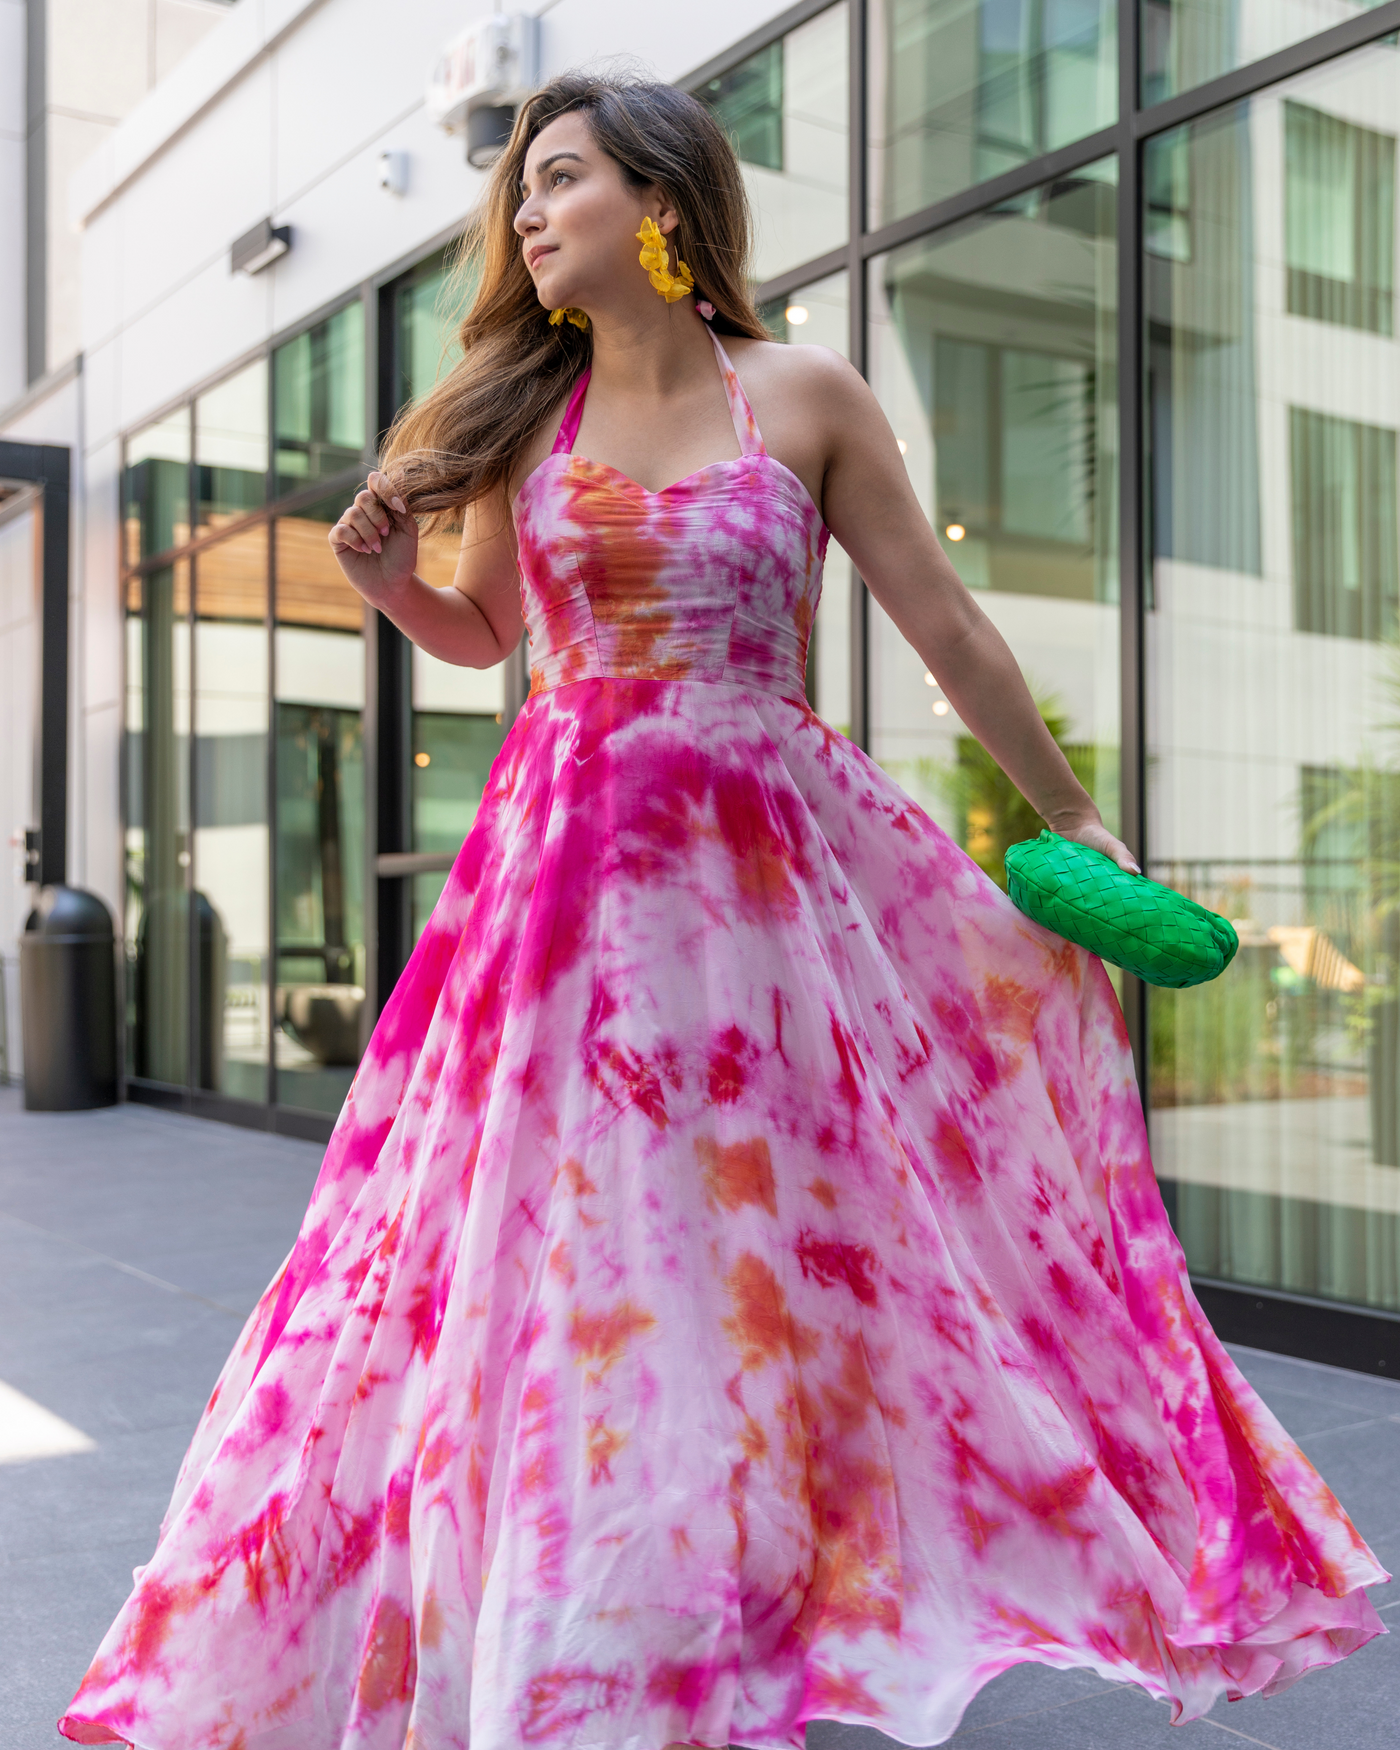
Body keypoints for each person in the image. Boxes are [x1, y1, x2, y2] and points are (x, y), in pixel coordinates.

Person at [61, 70, 1385, 1750]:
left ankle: (760, 1591)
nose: (529, 216)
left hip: (769, 900)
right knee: (571, 1255)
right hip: (561, 899)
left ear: (661, 199)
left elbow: (948, 627)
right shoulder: (511, 426)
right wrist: (390, 579)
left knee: (769, 1250)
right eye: (520, 195)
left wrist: (1077, 823)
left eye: (559, 181)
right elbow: (485, 640)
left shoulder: (806, 396)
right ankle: (591, 1638)